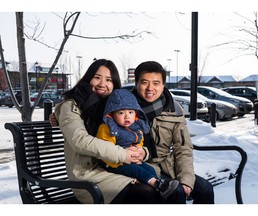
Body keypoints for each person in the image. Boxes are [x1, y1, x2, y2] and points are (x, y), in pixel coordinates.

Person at [51, 59, 163, 204]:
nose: (102, 84)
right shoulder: (71, 105)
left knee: (156, 190)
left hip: (115, 168)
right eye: (97, 77)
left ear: (114, 84)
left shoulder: (113, 109)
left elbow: (131, 137)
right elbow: (79, 140)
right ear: (88, 78)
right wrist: (122, 154)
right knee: (146, 193)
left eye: (109, 80)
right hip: (89, 175)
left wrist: (142, 152)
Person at [130, 61, 214, 204]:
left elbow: (183, 148)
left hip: (168, 168)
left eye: (156, 83)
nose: (150, 88)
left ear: (163, 85)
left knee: (205, 188)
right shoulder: (125, 109)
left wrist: (186, 179)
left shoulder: (174, 110)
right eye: (145, 82)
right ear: (136, 83)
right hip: (141, 169)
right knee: (175, 192)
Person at [96, 88, 179, 199]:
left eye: (130, 112)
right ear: (112, 114)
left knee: (150, 169)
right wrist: (121, 159)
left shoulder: (135, 126)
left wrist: (138, 151)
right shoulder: (108, 128)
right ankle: (156, 184)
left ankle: (158, 186)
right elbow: (106, 149)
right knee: (136, 170)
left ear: (135, 112)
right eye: (121, 113)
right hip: (114, 164)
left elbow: (139, 140)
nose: (127, 116)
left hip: (131, 160)